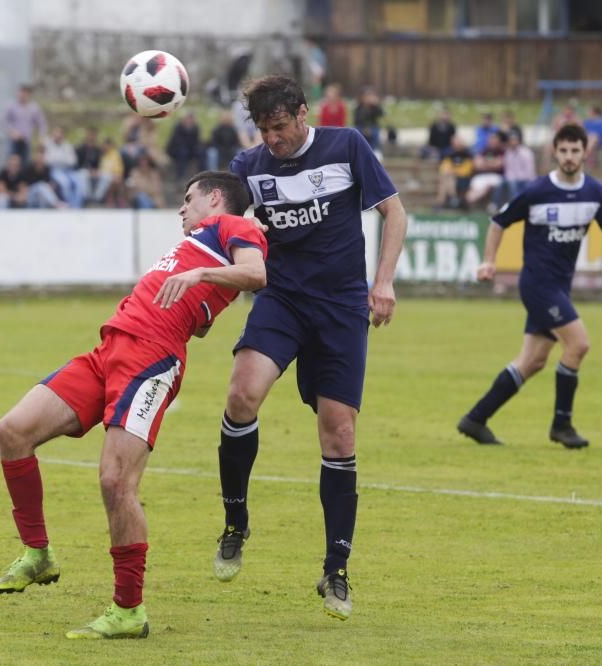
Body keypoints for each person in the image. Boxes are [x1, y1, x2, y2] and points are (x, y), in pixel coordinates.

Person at [0, 171, 268, 639]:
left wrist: (200, 275)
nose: (181, 208)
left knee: (116, 482)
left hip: (148, 360)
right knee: (12, 431)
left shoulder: (233, 227)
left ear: (216, 197)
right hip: (108, 351)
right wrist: (199, 293)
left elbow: (257, 272)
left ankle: (128, 610)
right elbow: (199, 319)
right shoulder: (200, 241)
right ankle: (38, 554)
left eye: (188, 197)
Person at [213, 75, 407, 621]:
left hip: (343, 307)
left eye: (279, 127)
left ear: (302, 114)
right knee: (242, 394)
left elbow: (395, 212)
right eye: (263, 130)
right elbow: (224, 236)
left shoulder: (346, 145)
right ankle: (235, 522)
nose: (272, 139)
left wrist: (384, 282)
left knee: (338, 429)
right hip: (281, 300)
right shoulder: (247, 166)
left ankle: (335, 570)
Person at [457, 124, 602, 449]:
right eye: (563, 151)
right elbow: (498, 221)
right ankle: (561, 425)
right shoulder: (537, 191)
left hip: (559, 288)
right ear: (554, 152)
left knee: (533, 361)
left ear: (585, 153)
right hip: (538, 285)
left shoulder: (594, 192)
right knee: (578, 345)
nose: (568, 157)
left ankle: (475, 418)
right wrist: (489, 261)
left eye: (574, 151)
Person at [4, 84, 47, 163]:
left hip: (26, 140)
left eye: (25, 93)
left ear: (29, 94)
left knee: (25, 164)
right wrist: (12, 132)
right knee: (12, 163)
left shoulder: (34, 107)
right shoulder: (12, 106)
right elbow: (6, 121)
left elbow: (42, 123)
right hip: (14, 140)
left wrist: (41, 137)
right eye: (21, 92)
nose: (22, 95)